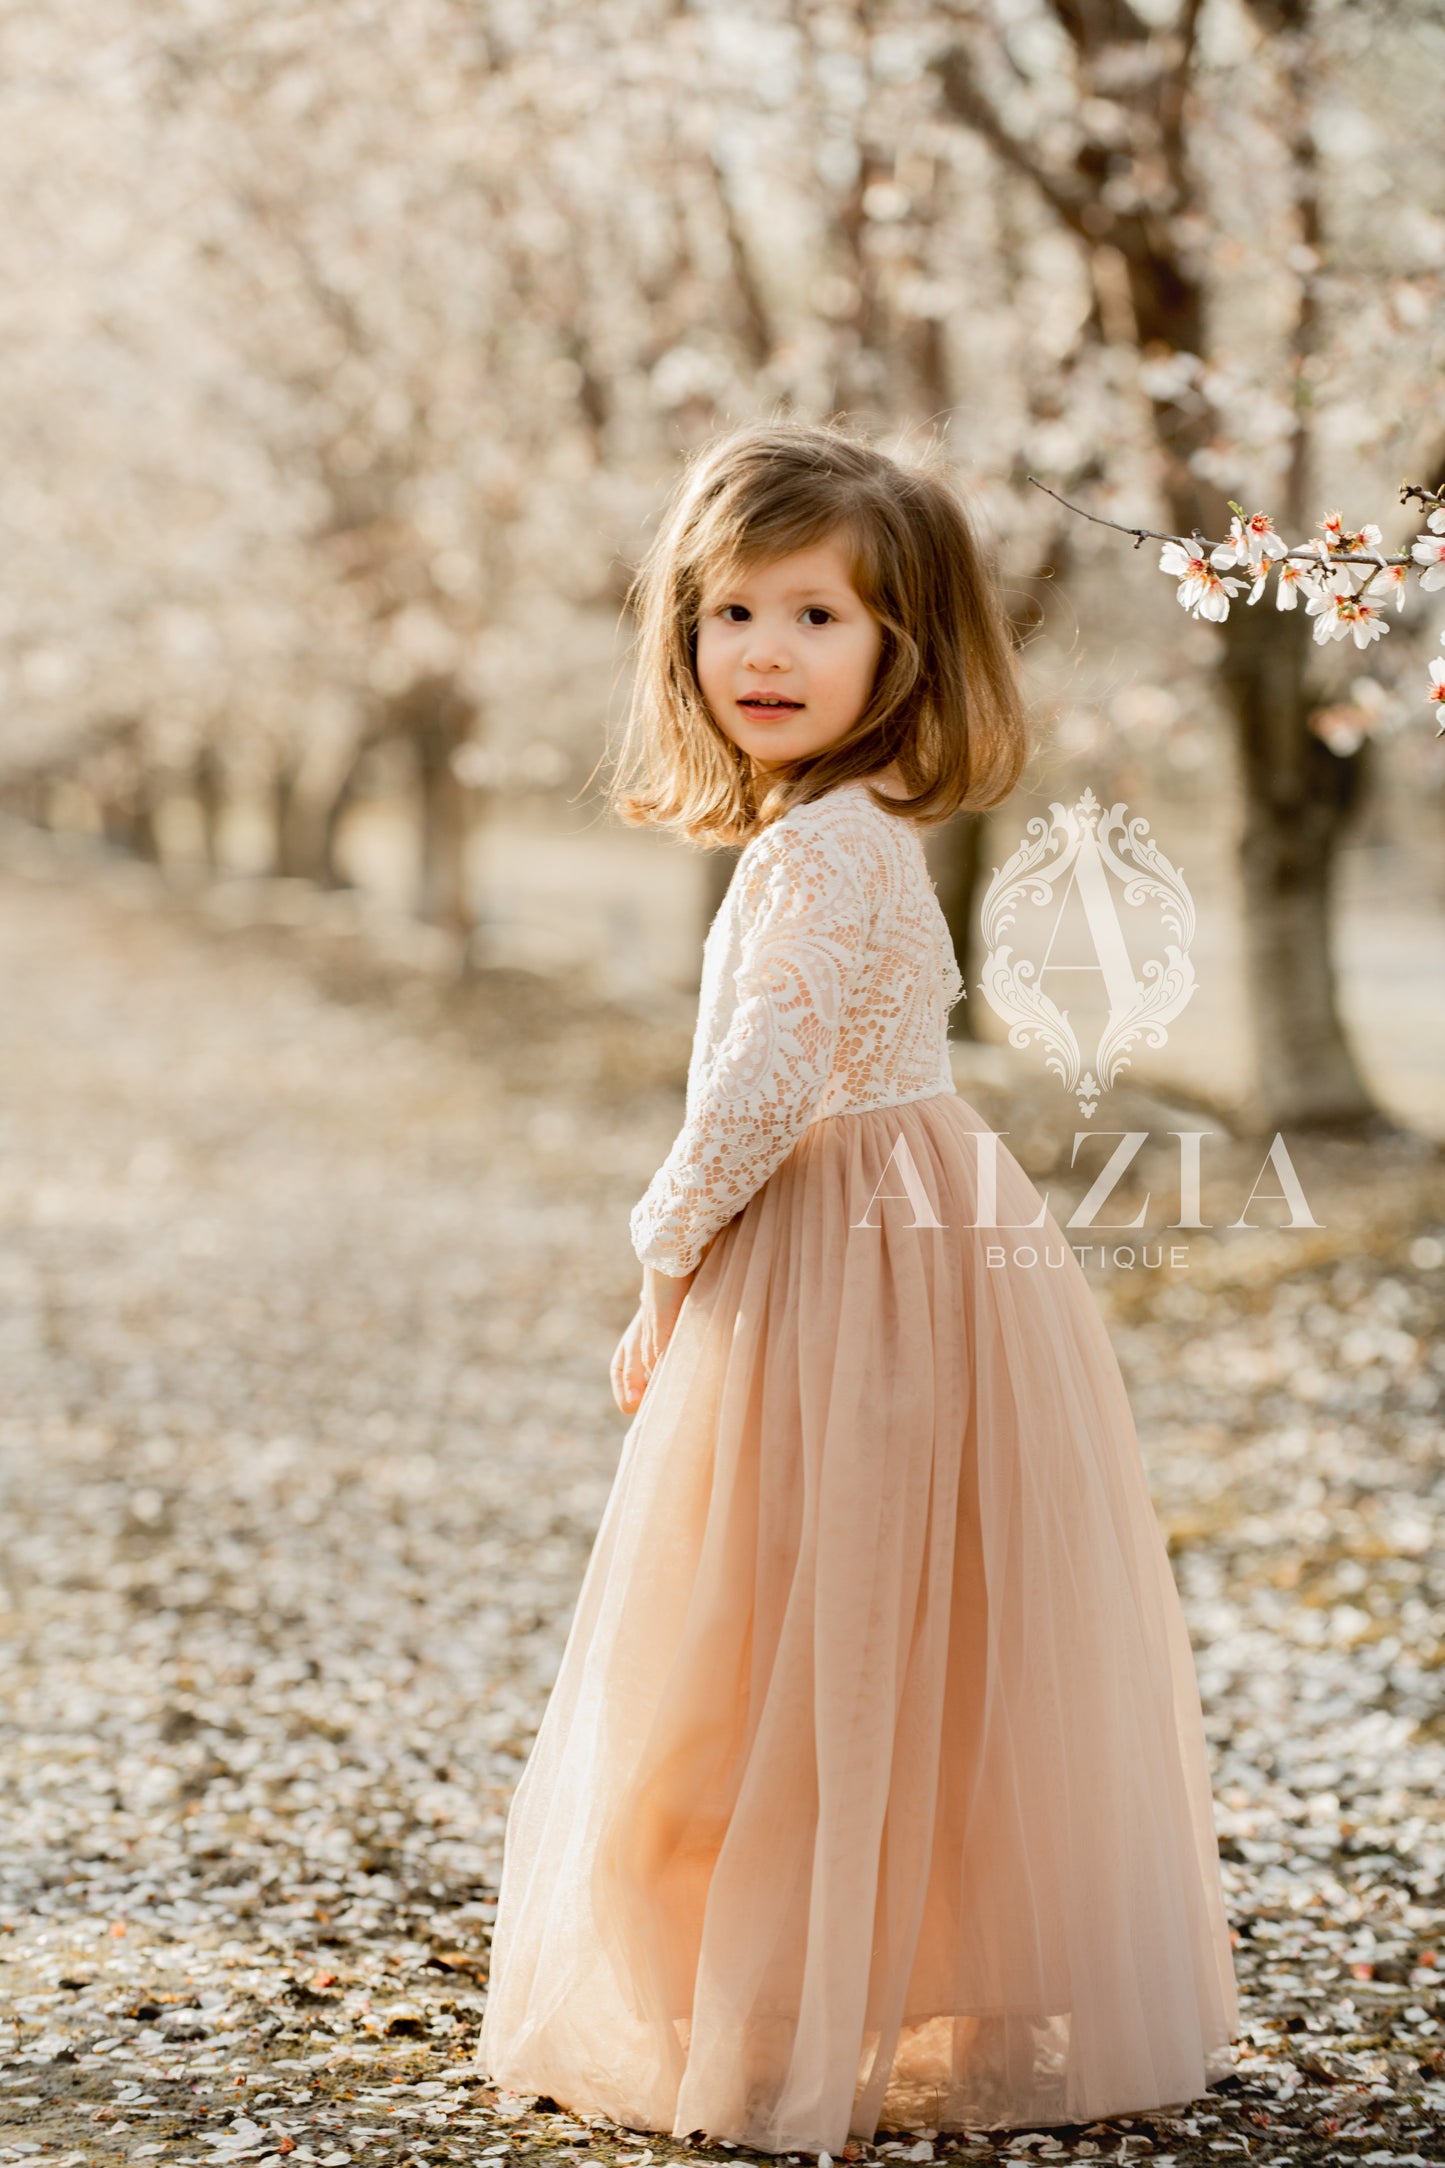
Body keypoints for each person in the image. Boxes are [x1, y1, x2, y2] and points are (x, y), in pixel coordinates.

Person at [475, 421, 1238, 2154]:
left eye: (818, 618)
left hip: (842, 1248)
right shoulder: (850, 829)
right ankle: (825, 1974)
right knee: (872, 1623)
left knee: (773, 1630)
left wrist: (660, 1253)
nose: (763, 652)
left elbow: (756, 1090)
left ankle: (776, 1997)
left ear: (900, 649)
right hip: (905, 1224)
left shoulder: (818, 849)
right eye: (730, 611)